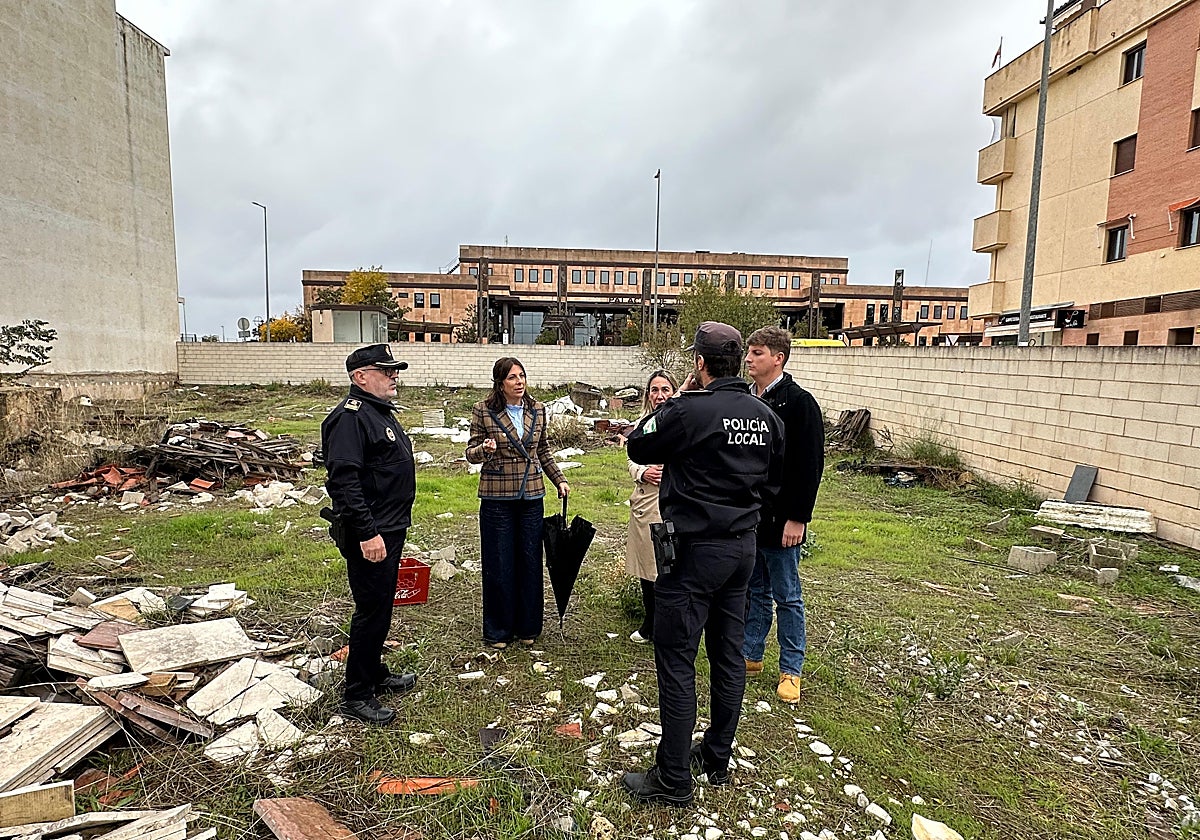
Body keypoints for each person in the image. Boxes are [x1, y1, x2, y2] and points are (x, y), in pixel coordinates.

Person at [621, 322, 784, 806]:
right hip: (742, 548)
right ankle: (716, 755)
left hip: (693, 551)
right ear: (738, 362)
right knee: (728, 654)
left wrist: (678, 400)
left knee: (676, 658)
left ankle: (673, 777)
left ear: (699, 363)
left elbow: (638, 443)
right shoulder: (765, 414)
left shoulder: (688, 410)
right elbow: (773, 482)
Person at [321, 343, 418, 725]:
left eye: (395, 370)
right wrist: (368, 533)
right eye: (386, 370)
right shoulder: (351, 418)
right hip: (372, 532)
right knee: (370, 610)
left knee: (381, 607)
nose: (394, 375)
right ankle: (357, 693)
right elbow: (344, 481)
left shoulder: (379, 413)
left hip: (390, 527)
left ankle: (374, 672)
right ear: (360, 377)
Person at [741, 326, 825, 704]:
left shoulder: (799, 403)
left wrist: (798, 517)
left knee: (788, 595)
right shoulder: (746, 399)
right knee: (755, 588)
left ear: (779, 358)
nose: (748, 359)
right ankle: (752, 654)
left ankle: (791, 669)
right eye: (748, 352)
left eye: (757, 353)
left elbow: (810, 465)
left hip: (782, 518)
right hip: (750, 515)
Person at [465, 357, 569, 649]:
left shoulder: (537, 409)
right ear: (500, 383)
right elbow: (470, 452)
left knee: (530, 561)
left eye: (522, 376)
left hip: (532, 495)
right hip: (497, 496)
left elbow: (542, 450)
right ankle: (498, 630)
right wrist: (484, 450)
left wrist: (558, 479)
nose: (519, 382)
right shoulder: (483, 411)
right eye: (512, 377)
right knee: (499, 562)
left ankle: (528, 627)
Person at [625, 370, 679, 644]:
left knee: (666, 566)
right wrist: (642, 473)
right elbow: (631, 458)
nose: (660, 395)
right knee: (646, 566)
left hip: (668, 503)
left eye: (665, 390)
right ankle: (651, 620)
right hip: (644, 504)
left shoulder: (682, 422)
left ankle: (667, 624)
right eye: (655, 390)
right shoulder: (643, 424)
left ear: (674, 392)